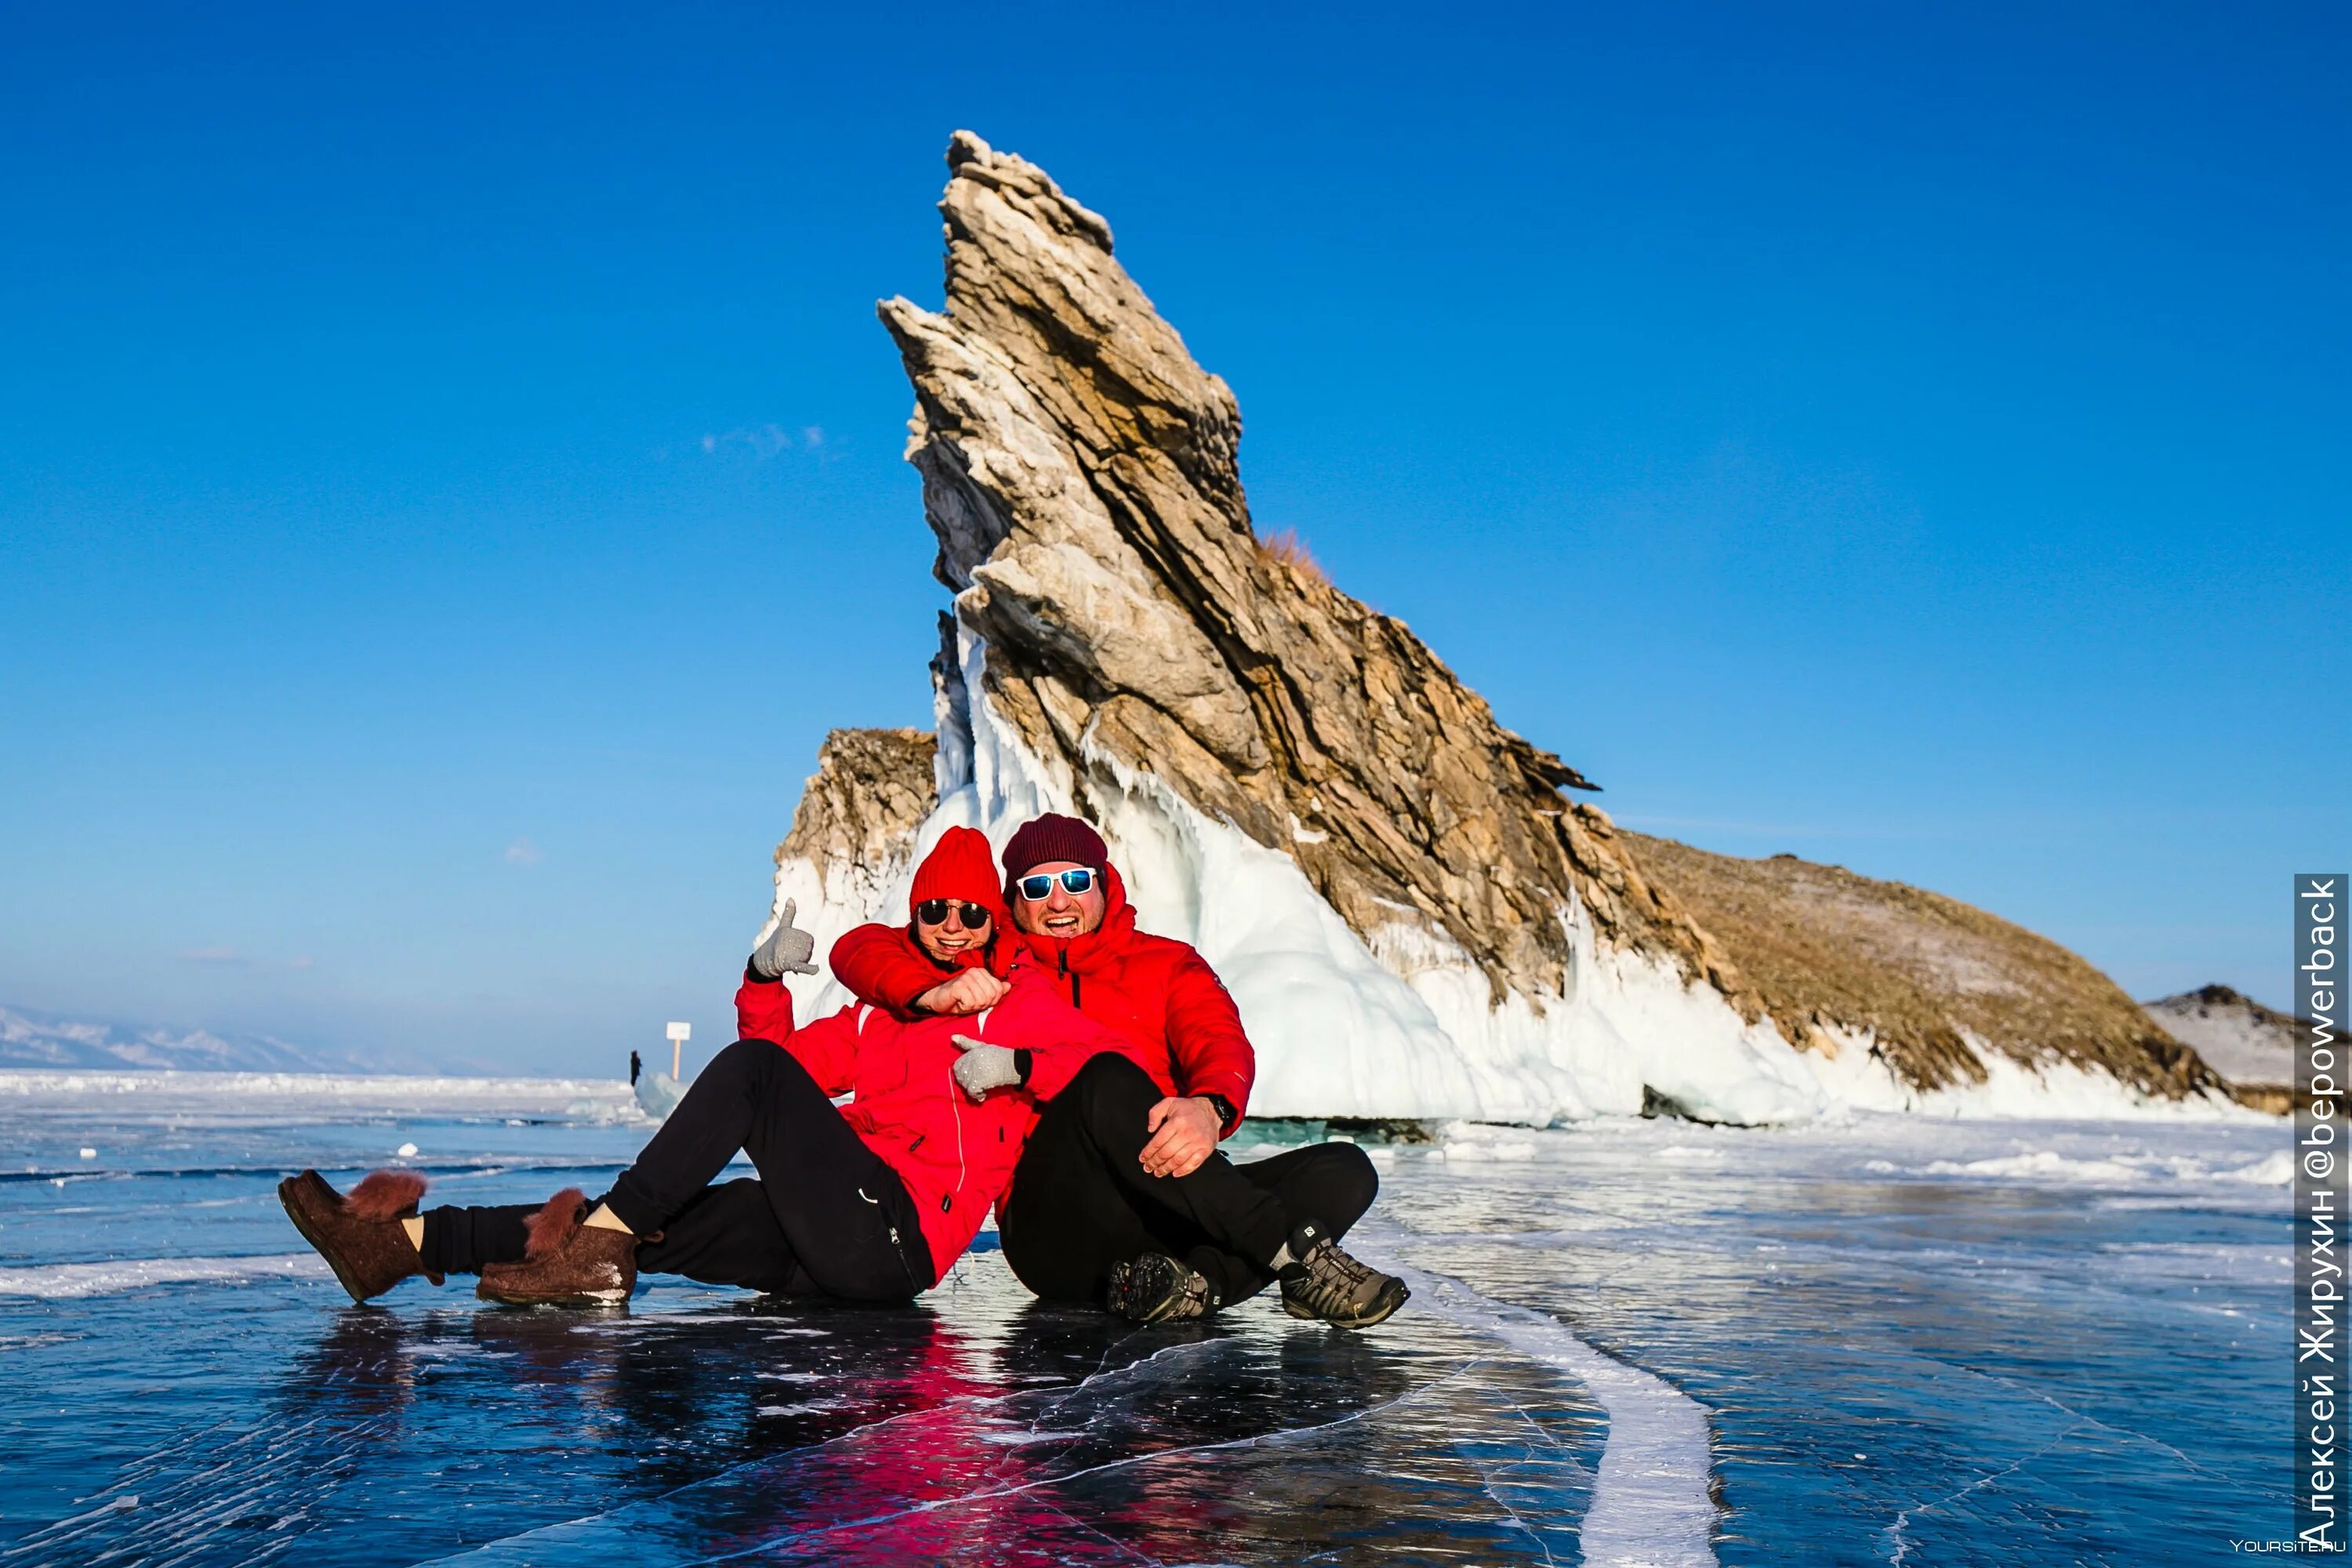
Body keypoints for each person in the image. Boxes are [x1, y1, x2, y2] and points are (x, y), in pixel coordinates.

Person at [278, 827, 1142, 1308]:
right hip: (829, 1234)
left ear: (995, 923)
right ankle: (399, 1243)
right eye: (934, 910)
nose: (954, 926)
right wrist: (764, 978)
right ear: (915, 919)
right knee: (658, 1219)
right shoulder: (878, 1021)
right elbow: (791, 1065)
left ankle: (602, 1247)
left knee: (736, 1089)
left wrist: (1016, 1059)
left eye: (972, 913)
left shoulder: (1018, 1002)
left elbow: (1113, 1066)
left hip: (899, 1237)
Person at [829, 812, 1407, 1328]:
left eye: (1076, 881)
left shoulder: (1166, 963)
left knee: (1345, 1169)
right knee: (1104, 1075)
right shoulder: (991, 968)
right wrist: (931, 992)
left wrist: (1210, 1107)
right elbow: (864, 948)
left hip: (1169, 1195)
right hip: (1055, 1225)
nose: (1059, 902)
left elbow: (1218, 1041)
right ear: (1013, 902)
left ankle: (1193, 1287)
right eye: (1037, 887)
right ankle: (1295, 1257)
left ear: (1104, 886)